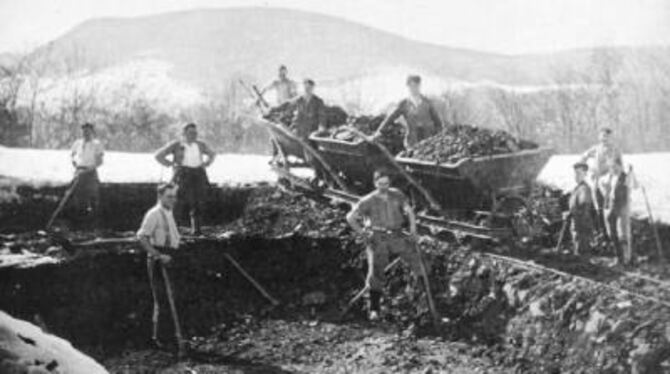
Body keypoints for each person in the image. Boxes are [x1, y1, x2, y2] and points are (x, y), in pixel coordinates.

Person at [346, 169, 426, 321]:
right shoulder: (367, 200)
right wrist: (363, 233)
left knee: (418, 261)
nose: (384, 186)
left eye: (387, 183)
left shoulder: (397, 194)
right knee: (376, 271)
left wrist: (413, 230)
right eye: (380, 183)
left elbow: (409, 211)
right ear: (375, 183)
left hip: (397, 235)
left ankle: (426, 302)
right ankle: (374, 309)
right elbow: (350, 217)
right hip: (378, 237)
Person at [137, 183, 183, 352]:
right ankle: (161, 340)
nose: (173, 200)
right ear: (160, 196)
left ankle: (171, 336)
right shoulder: (154, 214)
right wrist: (158, 255)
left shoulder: (169, 212)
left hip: (170, 256)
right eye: (169, 196)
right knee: (162, 299)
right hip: (159, 259)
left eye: (175, 196)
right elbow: (142, 238)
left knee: (172, 297)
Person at [155, 123, 216, 235]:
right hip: (183, 174)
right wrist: (171, 164)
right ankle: (173, 229)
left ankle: (196, 230)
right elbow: (158, 155)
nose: (193, 135)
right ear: (184, 133)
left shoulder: (200, 144)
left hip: (198, 174)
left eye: (195, 133)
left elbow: (212, 154)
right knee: (178, 202)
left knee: (198, 202)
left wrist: (206, 163)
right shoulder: (177, 144)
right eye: (191, 133)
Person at [374, 75, 443, 148]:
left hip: (427, 142)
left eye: (416, 86)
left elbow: (438, 122)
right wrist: (379, 132)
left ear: (419, 86)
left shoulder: (427, 103)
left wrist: (439, 137)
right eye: (411, 86)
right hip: (412, 142)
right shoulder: (404, 104)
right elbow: (390, 119)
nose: (413, 88)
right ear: (408, 87)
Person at [579, 127, 623, 238]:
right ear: (599, 137)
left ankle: (612, 234)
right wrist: (582, 165)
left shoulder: (615, 150)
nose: (604, 139)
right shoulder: (596, 149)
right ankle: (602, 233)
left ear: (611, 138)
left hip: (608, 181)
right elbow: (584, 156)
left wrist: (614, 168)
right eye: (602, 136)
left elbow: (621, 167)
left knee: (608, 208)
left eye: (607, 136)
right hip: (596, 180)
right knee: (598, 207)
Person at [599, 159, 638, 265]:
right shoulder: (611, 177)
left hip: (622, 207)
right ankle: (618, 257)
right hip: (612, 206)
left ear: (620, 166)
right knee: (612, 233)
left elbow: (635, 186)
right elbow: (603, 185)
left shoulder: (625, 177)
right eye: (611, 167)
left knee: (623, 234)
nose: (613, 169)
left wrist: (632, 173)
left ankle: (627, 259)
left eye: (615, 166)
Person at [69, 122, 104, 227]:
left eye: (88, 131)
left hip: (90, 172)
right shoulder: (77, 143)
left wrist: (89, 169)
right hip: (79, 171)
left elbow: (100, 161)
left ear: (92, 132)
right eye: (84, 131)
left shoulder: (97, 144)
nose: (85, 134)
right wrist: (75, 164)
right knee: (78, 195)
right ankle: (79, 221)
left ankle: (93, 222)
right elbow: (72, 156)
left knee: (92, 195)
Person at [566, 162, 595, 256]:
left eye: (579, 173)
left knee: (582, 249)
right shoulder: (578, 188)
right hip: (577, 223)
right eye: (575, 173)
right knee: (578, 247)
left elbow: (584, 207)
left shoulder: (584, 189)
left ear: (585, 174)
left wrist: (571, 214)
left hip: (581, 225)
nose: (576, 176)